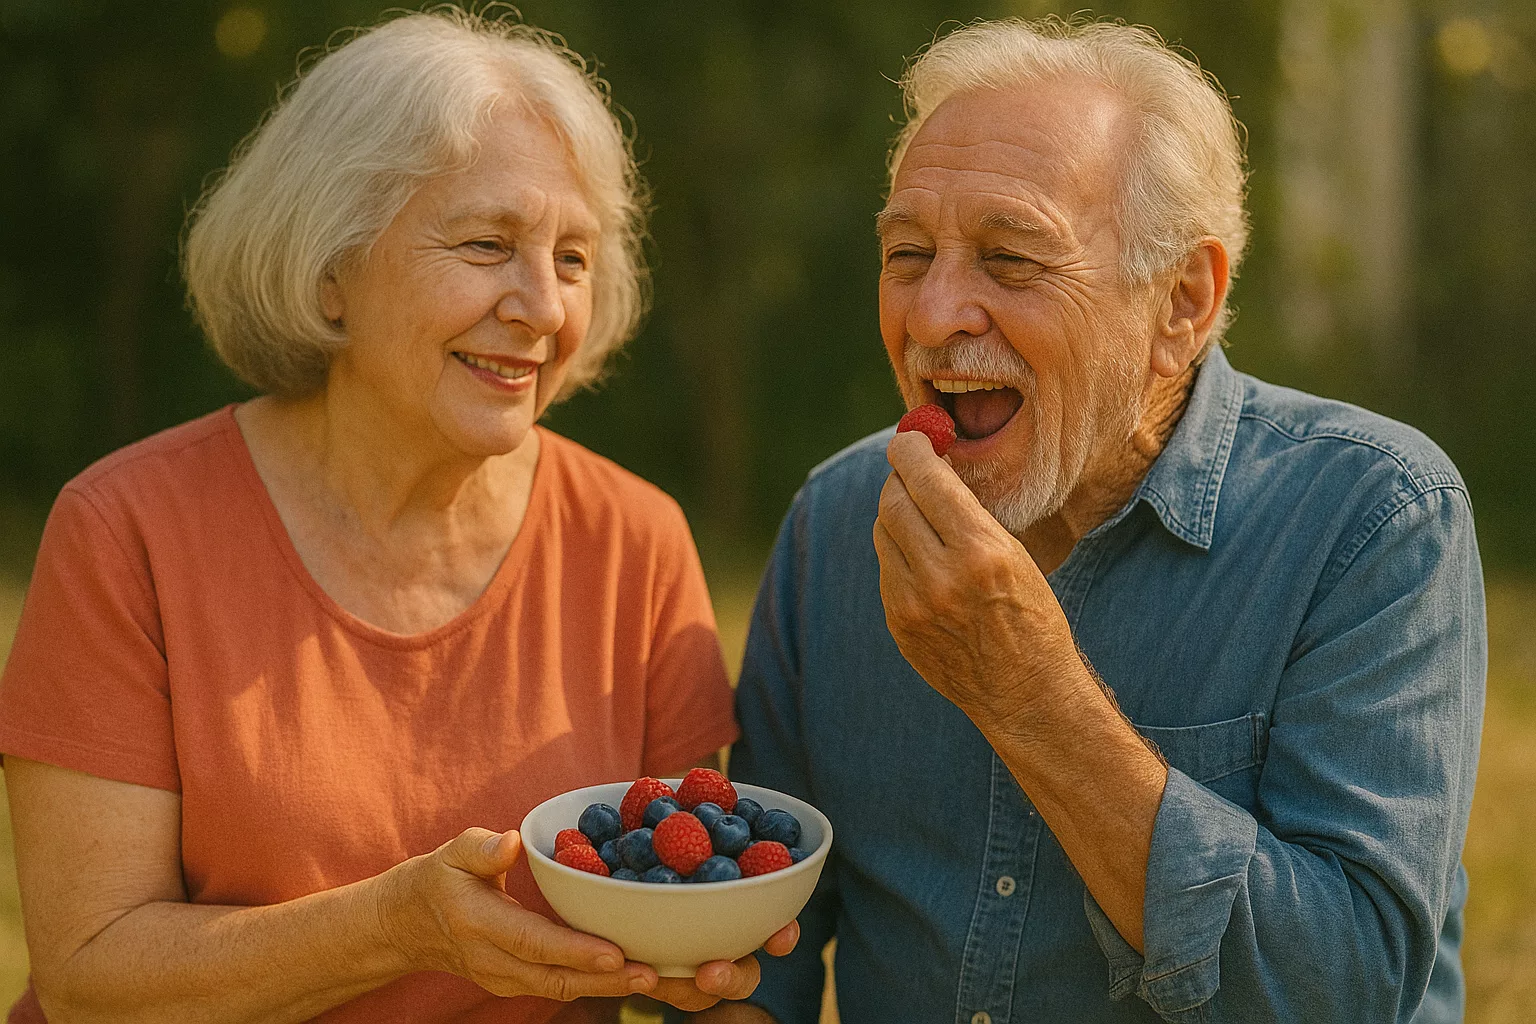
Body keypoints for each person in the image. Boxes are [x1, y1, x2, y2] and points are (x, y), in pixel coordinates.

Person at [0, 10, 794, 1023]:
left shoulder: (636, 541)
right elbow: (89, 980)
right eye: (487, 243)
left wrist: (709, 971)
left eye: (574, 258)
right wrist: (395, 927)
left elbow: (684, 925)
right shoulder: (127, 531)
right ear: (330, 274)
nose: (544, 307)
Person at [726, 17, 1484, 1024]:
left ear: (1181, 300)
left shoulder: (1374, 519)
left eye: (1011, 258)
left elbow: (1346, 990)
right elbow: (753, 956)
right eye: (909, 253)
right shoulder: (834, 525)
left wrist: (1032, 695)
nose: (935, 310)